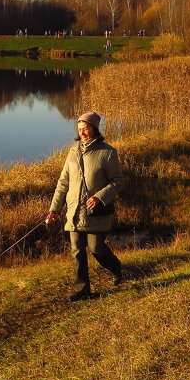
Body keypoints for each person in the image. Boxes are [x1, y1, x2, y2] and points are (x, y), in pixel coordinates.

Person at [46, 111, 124, 301]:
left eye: (85, 128)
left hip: (96, 211)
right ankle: (83, 290)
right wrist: (54, 210)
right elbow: (63, 182)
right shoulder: (72, 151)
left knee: (96, 248)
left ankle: (116, 268)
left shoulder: (107, 152)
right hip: (74, 211)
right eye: (79, 129)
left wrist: (99, 196)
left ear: (95, 129)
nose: (82, 133)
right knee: (77, 251)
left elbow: (117, 181)